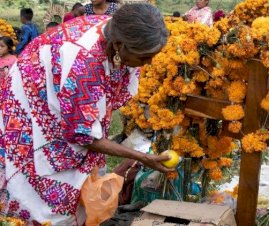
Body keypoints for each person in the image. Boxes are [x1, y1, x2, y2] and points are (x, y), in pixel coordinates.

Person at [0, 3, 170, 225]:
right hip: (30, 108)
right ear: (119, 44)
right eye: (145, 57)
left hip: (59, 98)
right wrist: (144, 157)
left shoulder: (117, 34)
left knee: (83, 182)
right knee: (41, 192)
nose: (149, 63)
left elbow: (94, 112)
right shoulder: (84, 60)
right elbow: (84, 136)